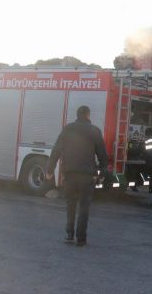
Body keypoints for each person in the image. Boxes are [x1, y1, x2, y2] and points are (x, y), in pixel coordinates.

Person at [46, 105, 108, 246]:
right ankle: (81, 238)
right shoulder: (95, 131)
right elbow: (102, 155)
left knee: (70, 204)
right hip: (87, 176)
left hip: (70, 174)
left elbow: (56, 150)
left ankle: (69, 234)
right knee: (84, 207)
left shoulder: (68, 129)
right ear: (88, 115)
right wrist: (102, 173)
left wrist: (50, 170)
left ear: (77, 115)